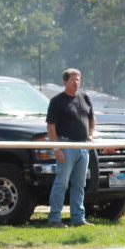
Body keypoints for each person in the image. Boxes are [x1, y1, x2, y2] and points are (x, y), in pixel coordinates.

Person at [46, 68, 95, 228]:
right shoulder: (57, 101)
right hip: (65, 146)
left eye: (78, 79)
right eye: (73, 79)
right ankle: (54, 219)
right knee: (62, 183)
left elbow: (92, 118)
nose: (76, 82)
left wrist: (91, 135)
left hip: (83, 146)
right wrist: (56, 149)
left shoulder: (85, 97)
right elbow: (51, 126)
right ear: (65, 81)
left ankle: (78, 219)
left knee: (79, 185)